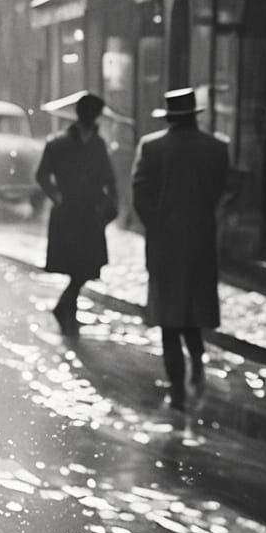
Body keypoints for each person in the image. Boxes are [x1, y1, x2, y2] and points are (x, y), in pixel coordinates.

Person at [132, 87, 229, 411]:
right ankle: (197, 364)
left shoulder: (152, 147)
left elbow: (140, 195)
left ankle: (176, 390)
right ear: (194, 116)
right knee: (193, 312)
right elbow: (221, 191)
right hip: (201, 242)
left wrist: (157, 225)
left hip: (166, 245)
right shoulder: (217, 149)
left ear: (170, 117)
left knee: (169, 319)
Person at [34, 91, 118, 335]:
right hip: (69, 213)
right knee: (76, 265)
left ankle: (66, 308)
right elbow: (42, 175)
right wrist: (57, 197)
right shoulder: (59, 143)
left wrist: (111, 203)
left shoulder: (97, 144)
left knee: (86, 266)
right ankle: (67, 311)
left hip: (90, 213)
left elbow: (108, 177)